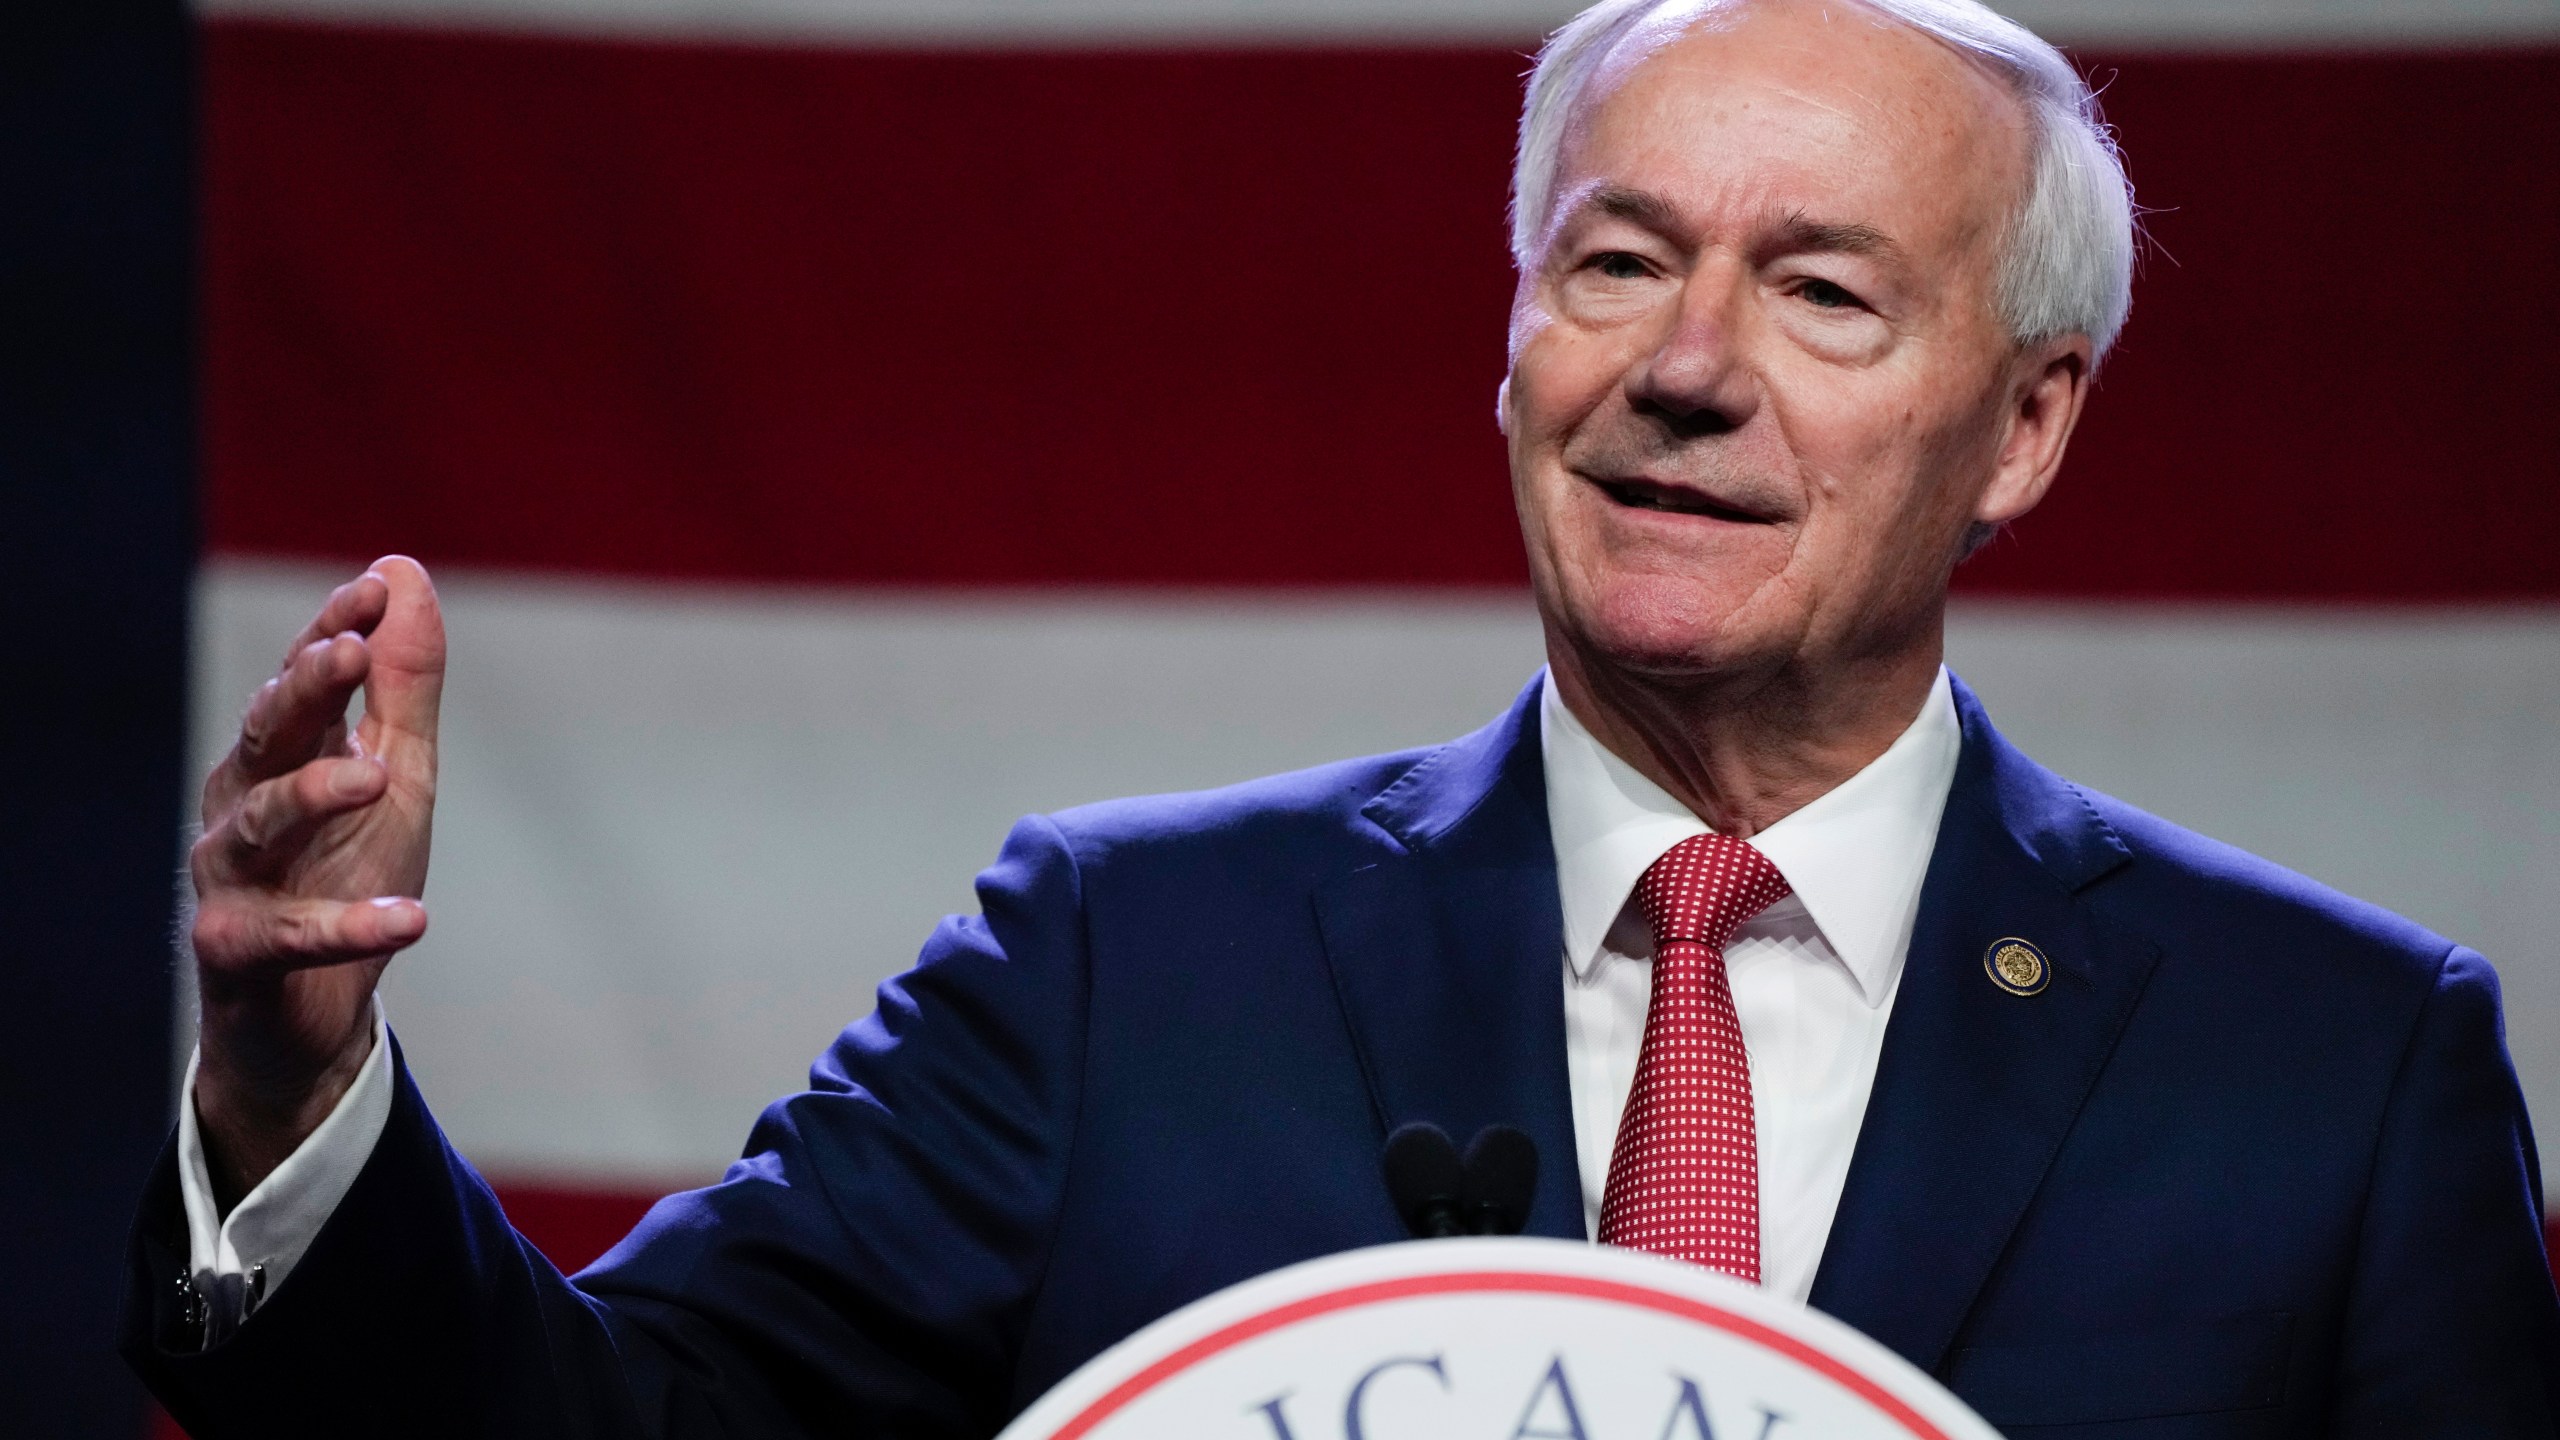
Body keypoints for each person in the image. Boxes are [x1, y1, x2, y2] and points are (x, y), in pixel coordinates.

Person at [126, 0, 2560, 1433]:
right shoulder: (1123, 966)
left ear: (2021, 425)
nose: (1684, 369)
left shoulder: (2335, 1076)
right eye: (1615, 261)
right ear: (1511, 342)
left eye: (1819, 293)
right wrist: (292, 1090)